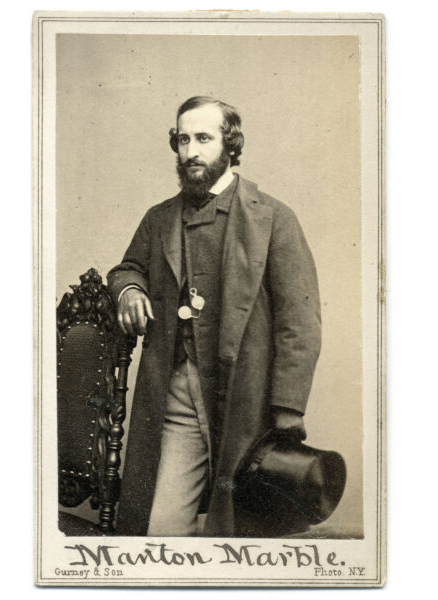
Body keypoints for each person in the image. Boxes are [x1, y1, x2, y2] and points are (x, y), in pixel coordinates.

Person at [107, 96, 321, 537]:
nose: (191, 152)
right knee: (162, 530)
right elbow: (128, 268)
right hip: (179, 393)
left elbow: (299, 321)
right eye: (183, 140)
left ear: (230, 144)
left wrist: (287, 407)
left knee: (241, 531)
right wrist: (129, 289)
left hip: (248, 398)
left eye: (203, 138)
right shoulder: (159, 218)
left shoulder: (273, 218)